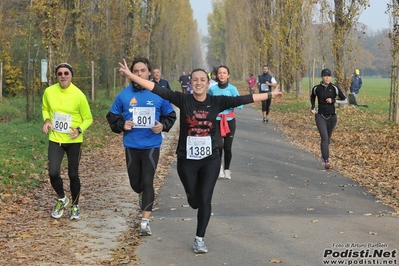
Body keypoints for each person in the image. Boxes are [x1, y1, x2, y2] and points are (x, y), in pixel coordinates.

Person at [118, 58, 282, 254]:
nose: (198, 83)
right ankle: (192, 198)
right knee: (194, 200)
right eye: (195, 80)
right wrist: (130, 75)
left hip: (210, 159)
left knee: (205, 199)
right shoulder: (183, 99)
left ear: (208, 82)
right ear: (191, 83)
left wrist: (270, 95)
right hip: (186, 160)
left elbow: (243, 99)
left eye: (202, 80)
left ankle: (199, 238)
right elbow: (156, 88)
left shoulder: (217, 101)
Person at [106, 57, 177, 236]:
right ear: (131, 73)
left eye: (142, 71)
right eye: (135, 71)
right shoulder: (124, 95)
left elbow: (170, 116)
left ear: (149, 72)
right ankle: (141, 194)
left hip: (152, 144)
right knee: (136, 183)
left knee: (148, 181)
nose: (139, 74)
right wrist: (122, 124)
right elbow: (112, 117)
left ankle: (145, 220)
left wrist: (162, 126)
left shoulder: (159, 93)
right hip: (131, 145)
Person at [42, 62, 93, 220]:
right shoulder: (49, 92)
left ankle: (75, 206)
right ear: (56, 76)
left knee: (73, 174)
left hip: (73, 141)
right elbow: (45, 108)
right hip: (55, 139)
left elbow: (88, 118)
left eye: (66, 73)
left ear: (71, 75)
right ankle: (62, 198)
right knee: (53, 172)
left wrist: (79, 130)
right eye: (60, 73)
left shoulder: (79, 95)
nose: (63, 76)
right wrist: (47, 120)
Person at [208, 65, 242, 180]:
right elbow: (209, 103)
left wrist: (230, 103)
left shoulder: (232, 89)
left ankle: (227, 169)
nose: (222, 75)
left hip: (229, 120)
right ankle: (219, 168)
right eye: (220, 73)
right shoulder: (212, 89)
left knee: (227, 147)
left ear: (228, 75)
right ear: (217, 75)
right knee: (219, 145)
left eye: (224, 73)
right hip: (216, 120)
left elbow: (240, 104)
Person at [310, 68, 346, 170]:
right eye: (325, 76)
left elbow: (345, 100)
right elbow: (312, 97)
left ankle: (323, 154)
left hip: (332, 117)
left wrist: (334, 100)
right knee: (324, 137)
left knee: (328, 139)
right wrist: (312, 107)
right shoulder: (317, 88)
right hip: (320, 116)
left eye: (329, 76)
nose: (327, 77)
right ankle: (326, 160)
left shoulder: (334, 88)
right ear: (322, 77)